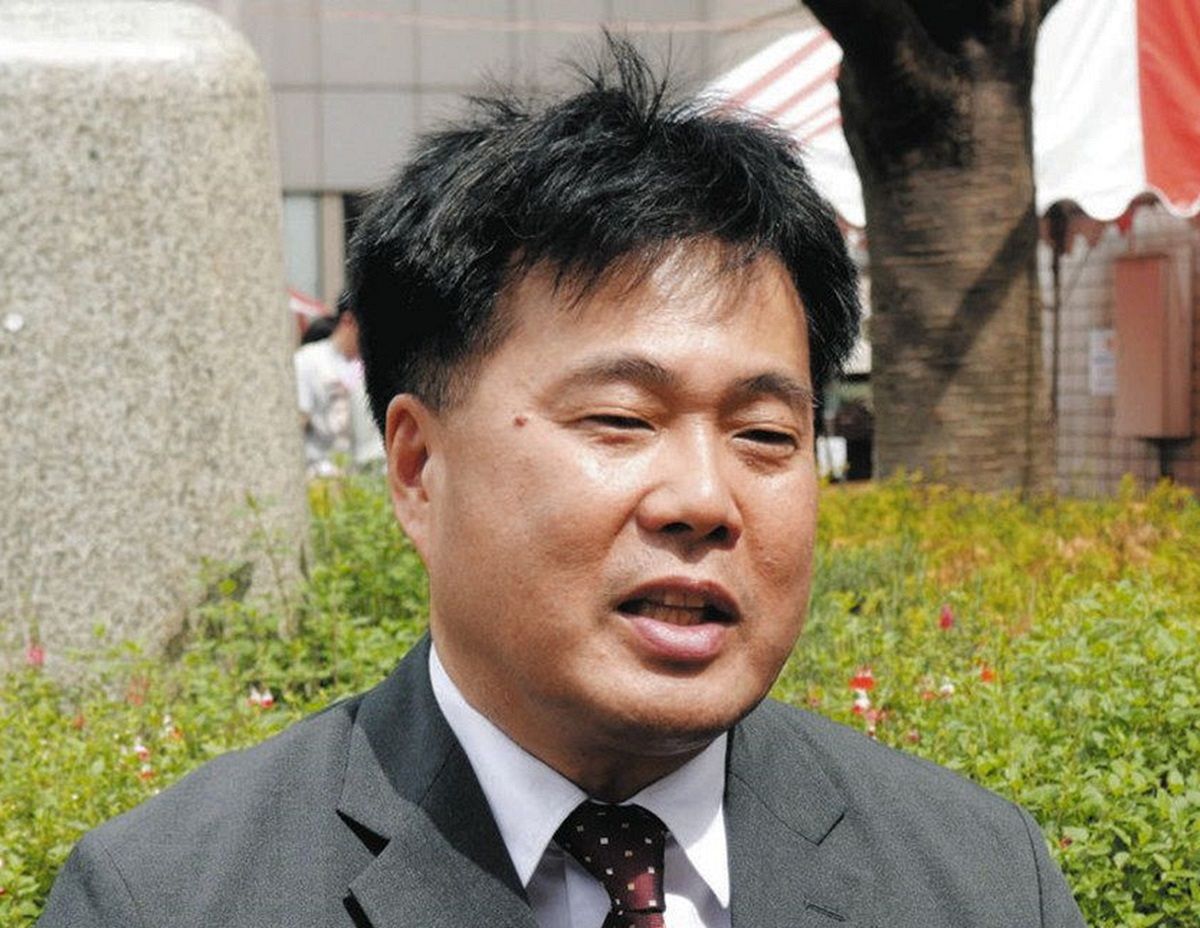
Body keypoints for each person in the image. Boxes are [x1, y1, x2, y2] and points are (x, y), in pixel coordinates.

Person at [39, 39, 1086, 928]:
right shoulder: (170, 897)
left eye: (765, 433)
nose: (704, 500)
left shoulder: (981, 879)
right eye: (621, 419)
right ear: (417, 469)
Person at [293, 294, 384, 477]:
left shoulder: (374, 367)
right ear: (348, 320)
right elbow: (298, 421)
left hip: (368, 474)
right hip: (322, 474)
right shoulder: (307, 360)